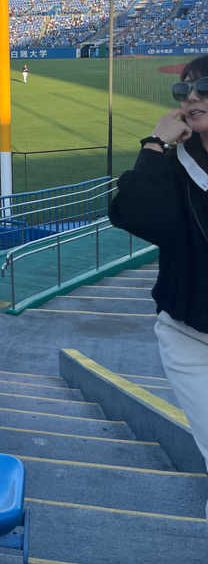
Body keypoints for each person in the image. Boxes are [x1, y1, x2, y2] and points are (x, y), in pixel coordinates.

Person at [109, 56, 208, 501]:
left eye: (204, 89)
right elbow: (128, 211)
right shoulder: (174, 165)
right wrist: (154, 145)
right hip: (191, 339)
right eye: (183, 91)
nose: (191, 98)